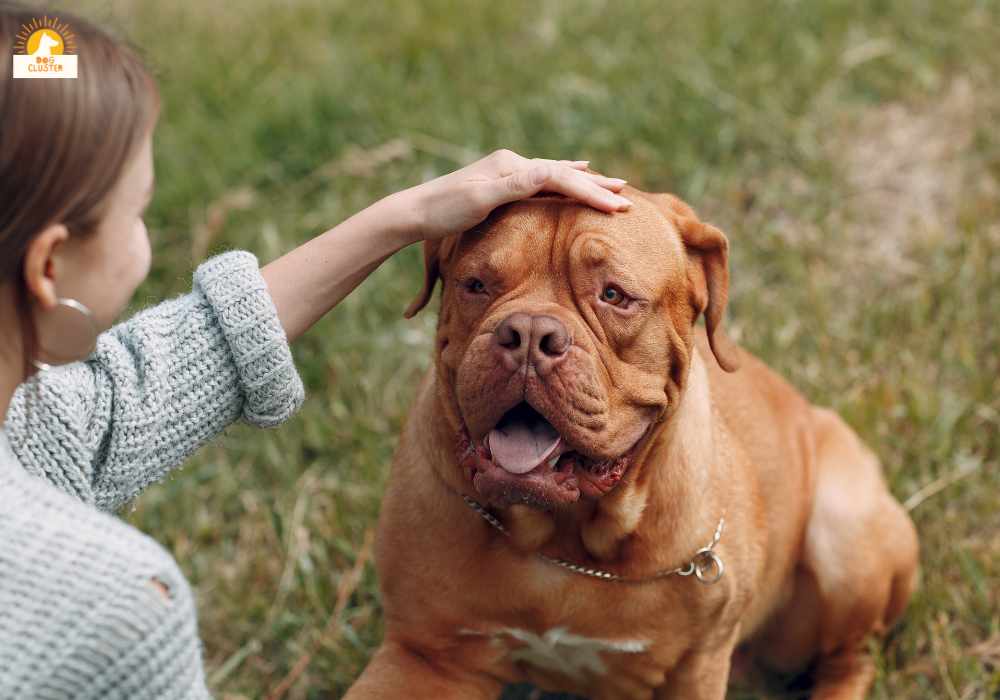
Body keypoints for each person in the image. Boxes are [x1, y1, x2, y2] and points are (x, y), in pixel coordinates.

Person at [0, 3, 632, 698]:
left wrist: (407, 215)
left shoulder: (28, 432)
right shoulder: (111, 608)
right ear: (49, 267)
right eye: (140, 211)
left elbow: (125, 396)